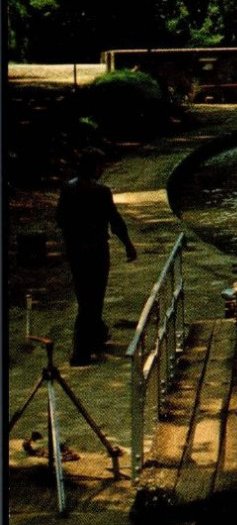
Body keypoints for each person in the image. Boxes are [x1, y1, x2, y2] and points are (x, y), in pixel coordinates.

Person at [56, 147, 137, 366]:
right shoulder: (101, 192)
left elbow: (60, 219)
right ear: (95, 168)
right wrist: (128, 244)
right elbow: (115, 221)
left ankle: (97, 334)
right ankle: (80, 351)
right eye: (101, 166)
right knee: (93, 298)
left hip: (75, 251)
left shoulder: (67, 189)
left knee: (84, 295)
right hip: (97, 250)